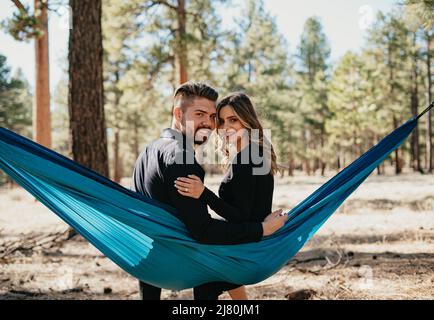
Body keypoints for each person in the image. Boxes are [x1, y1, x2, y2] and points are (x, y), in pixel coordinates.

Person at [131, 82, 287, 300]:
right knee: (211, 275)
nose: (210, 124)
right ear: (178, 114)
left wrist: (206, 194)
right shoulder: (181, 158)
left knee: (212, 277)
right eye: (200, 114)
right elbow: (203, 231)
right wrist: (262, 229)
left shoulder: (148, 151)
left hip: (149, 259)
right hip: (176, 255)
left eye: (212, 117)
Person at [174, 92, 278, 300]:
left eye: (233, 120)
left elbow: (240, 216)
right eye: (221, 121)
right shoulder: (255, 155)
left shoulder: (246, 160)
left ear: (247, 121)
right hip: (247, 244)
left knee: (205, 283)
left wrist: (204, 194)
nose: (224, 127)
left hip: (244, 248)